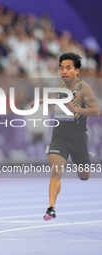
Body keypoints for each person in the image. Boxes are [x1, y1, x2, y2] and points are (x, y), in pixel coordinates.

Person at [44, 52, 100, 220]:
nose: (64, 71)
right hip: (59, 136)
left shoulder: (84, 88)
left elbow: (96, 110)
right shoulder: (61, 88)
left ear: (77, 71)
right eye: (61, 68)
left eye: (68, 68)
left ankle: (82, 159)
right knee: (56, 170)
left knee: (84, 176)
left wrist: (76, 110)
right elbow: (54, 101)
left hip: (78, 137)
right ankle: (51, 207)